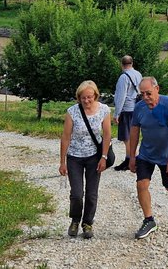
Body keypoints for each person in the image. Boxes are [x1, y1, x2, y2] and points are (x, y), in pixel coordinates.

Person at [129, 76, 168, 240]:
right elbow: (134, 132)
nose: (145, 97)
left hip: (167, 156)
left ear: (157, 89)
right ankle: (149, 220)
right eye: (142, 94)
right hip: (146, 154)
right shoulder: (139, 108)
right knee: (141, 184)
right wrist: (131, 157)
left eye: (148, 93)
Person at [59, 80, 112, 240]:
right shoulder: (72, 112)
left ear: (95, 95)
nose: (87, 101)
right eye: (83, 98)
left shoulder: (104, 110)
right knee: (76, 193)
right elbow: (66, 137)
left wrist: (104, 157)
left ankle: (87, 223)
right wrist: (62, 162)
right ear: (79, 98)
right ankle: (75, 220)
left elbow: (107, 135)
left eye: (90, 97)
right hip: (74, 157)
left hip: (94, 157)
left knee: (91, 193)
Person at [112, 54, 142, 171]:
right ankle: (132, 158)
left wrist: (116, 113)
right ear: (132, 63)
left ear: (122, 64)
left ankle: (129, 159)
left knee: (127, 137)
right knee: (134, 135)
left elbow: (121, 96)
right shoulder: (138, 74)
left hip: (127, 109)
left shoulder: (123, 77)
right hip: (137, 108)